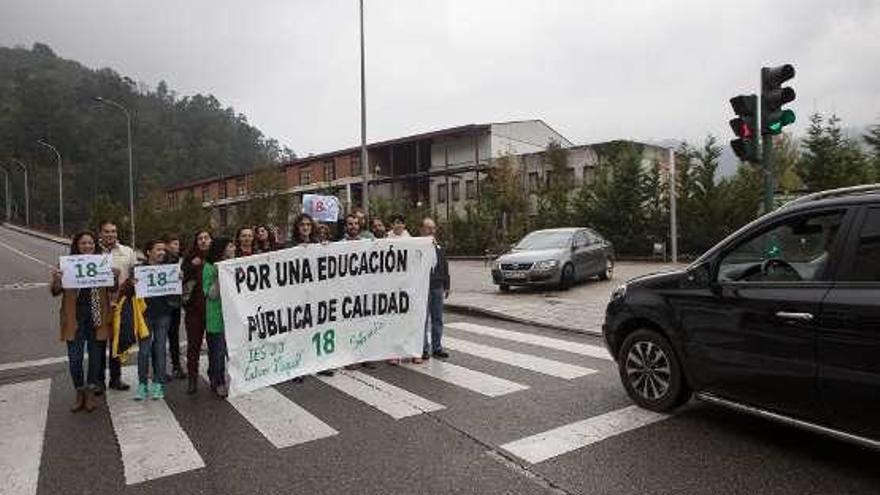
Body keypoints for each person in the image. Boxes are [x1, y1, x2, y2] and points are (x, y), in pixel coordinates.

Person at [50, 231, 119, 412]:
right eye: (83, 243)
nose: (87, 246)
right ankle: (79, 390)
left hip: (97, 317)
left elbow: (113, 288)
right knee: (75, 359)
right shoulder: (67, 264)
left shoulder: (102, 262)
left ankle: (89, 391)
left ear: (95, 245)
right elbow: (55, 291)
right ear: (77, 246)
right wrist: (57, 279)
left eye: (90, 243)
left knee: (96, 359)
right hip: (74, 318)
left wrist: (115, 276)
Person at [128, 239, 176, 401]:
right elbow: (128, 292)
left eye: (163, 250)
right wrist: (131, 284)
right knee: (144, 351)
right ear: (148, 252)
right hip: (144, 315)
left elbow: (176, 293)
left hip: (163, 314)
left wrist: (178, 279)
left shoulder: (170, 269)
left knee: (160, 349)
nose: (162, 252)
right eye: (158, 250)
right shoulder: (138, 270)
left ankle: (158, 384)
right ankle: (142, 385)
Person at [289, 213, 335, 378]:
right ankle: (297, 367)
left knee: (318, 330)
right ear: (297, 227)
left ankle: (320, 363)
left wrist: (327, 249)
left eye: (308, 224)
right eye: (302, 225)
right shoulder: (290, 246)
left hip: (316, 295)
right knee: (299, 331)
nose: (305, 227)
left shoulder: (318, 244)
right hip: (298, 296)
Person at [98, 220, 136, 392]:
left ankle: (116, 378)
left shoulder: (127, 252)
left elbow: (135, 275)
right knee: (98, 343)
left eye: (113, 231)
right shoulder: (93, 252)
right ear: (100, 234)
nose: (110, 234)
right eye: (106, 231)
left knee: (118, 341)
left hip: (121, 303)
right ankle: (98, 380)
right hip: (99, 303)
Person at [413, 217, 450, 364]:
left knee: (437, 318)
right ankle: (424, 348)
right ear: (422, 230)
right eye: (429, 228)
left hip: (437, 287)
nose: (432, 231)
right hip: (423, 287)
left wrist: (447, 285)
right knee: (423, 319)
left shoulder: (438, 247)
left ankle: (437, 347)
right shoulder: (416, 247)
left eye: (433, 228)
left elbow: (444, 266)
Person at [203, 237, 236, 398]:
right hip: (216, 317)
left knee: (230, 350)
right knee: (218, 352)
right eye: (230, 246)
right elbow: (211, 294)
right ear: (222, 249)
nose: (234, 248)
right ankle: (218, 381)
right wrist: (218, 274)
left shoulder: (235, 264)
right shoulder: (209, 268)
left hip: (233, 316)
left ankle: (222, 376)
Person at [182, 230, 212, 394]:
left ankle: (215, 376)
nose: (203, 241)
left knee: (215, 346)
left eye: (206, 238)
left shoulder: (216, 257)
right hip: (194, 310)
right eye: (199, 238)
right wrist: (191, 266)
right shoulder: (189, 259)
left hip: (213, 310)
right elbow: (181, 279)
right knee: (193, 346)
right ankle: (192, 379)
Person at [162, 233, 185, 380]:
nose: (177, 247)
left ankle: (176, 365)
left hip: (175, 303)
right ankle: (161, 368)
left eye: (178, 244)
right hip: (161, 304)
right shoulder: (160, 261)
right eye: (173, 244)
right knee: (160, 337)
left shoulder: (179, 261)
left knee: (174, 335)